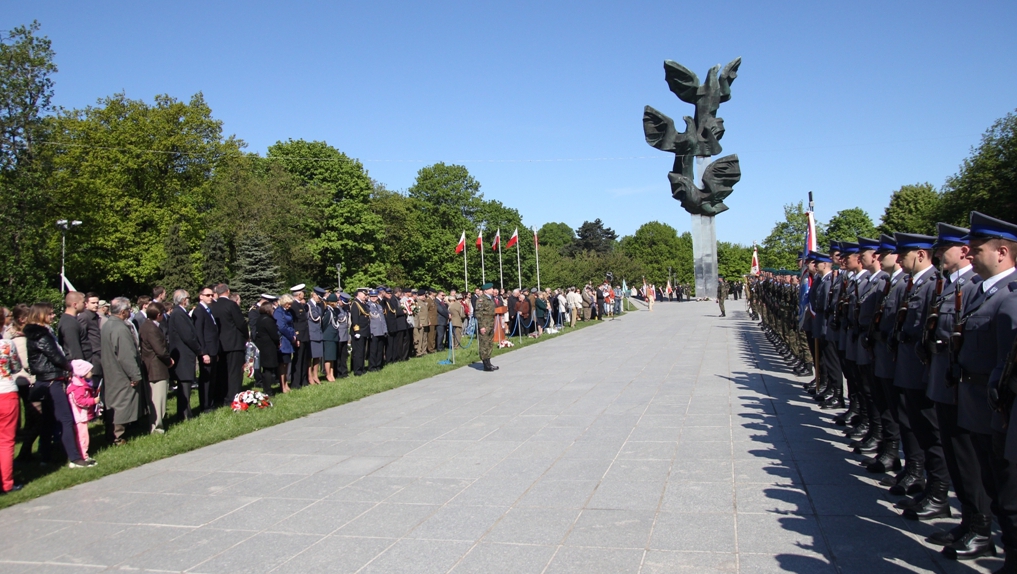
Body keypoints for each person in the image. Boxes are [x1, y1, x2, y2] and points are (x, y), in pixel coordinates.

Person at [25, 302, 93, 466]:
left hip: (45, 379)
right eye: (50, 313)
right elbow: (55, 356)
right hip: (52, 380)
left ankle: (45, 456)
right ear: (41, 315)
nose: (53, 316)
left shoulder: (38, 333)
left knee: (48, 420)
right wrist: (70, 367)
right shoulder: (41, 335)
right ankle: (75, 457)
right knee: (65, 418)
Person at [101, 297, 143, 446]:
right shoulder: (120, 328)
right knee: (121, 403)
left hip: (110, 370)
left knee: (113, 403)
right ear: (123, 312)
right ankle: (117, 437)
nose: (130, 312)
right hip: (120, 373)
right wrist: (135, 374)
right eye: (129, 309)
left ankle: (112, 434)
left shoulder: (107, 325)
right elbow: (126, 355)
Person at [211, 284, 249, 403]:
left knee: (222, 372)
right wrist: (246, 336)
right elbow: (240, 323)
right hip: (234, 343)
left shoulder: (213, 306)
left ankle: (222, 396)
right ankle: (234, 397)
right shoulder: (231, 305)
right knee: (234, 372)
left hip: (220, 344)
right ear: (228, 291)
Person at [139, 302, 172, 434]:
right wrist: (169, 360)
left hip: (152, 366)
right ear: (159, 315)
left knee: (157, 399)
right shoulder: (151, 328)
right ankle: (157, 428)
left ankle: (157, 425)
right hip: (156, 367)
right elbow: (160, 350)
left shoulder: (146, 325)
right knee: (159, 400)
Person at [167, 290, 201, 419]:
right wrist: (198, 349)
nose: (189, 300)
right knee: (184, 385)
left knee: (186, 384)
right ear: (183, 299)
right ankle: (184, 414)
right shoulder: (178, 314)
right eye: (188, 297)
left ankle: (186, 412)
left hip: (184, 354)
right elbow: (187, 335)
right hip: (182, 354)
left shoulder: (180, 312)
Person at [0, 318, 24, 492]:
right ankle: (6, 482)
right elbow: (16, 367)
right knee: (7, 440)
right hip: (6, 391)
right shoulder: (7, 345)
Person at [192, 286, 219, 411]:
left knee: (212, 378)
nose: (211, 297)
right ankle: (205, 405)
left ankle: (211, 402)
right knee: (206, 379)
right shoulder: (199, 311)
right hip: (206, 350)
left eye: (212, 295)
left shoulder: (209, 310)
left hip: (213, 349)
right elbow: (199, 333)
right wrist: (204, 352)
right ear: (201, 296)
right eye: (207, 295)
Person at [67, 359, 98, 462]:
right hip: (80, 416)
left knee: (80, 435)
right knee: (83, 436)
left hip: (79, 415)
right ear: (84, 373)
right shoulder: (79, 387)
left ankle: (82, 453)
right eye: (90, 371)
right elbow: (80, 401)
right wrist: (93, 400)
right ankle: (83, 455)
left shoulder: (78, 384)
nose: (92, 373)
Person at [253, 302, 280, 395]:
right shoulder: (268, 320)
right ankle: (268, 390)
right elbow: (274, 334)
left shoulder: (260, 318)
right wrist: (278, 341)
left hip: (261, 345)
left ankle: (266, 388)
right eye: (272, 309)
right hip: (268, 346)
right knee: (268, 369)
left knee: (265, 369)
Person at [274, 294, 297, 392]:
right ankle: (282, 384)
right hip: (283, 339)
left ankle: (285, 383)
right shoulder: (278, 312)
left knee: (287, 362)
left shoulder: (287, 312)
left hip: (289, 339)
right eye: (288, 304)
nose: (289, 306)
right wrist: (291, 336)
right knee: (282, 363)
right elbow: (281, 326)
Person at [289, 284, 310, 388]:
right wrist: (296, 336)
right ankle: (296, 382)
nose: (304, 294)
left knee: (304, 358)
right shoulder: (293, 305)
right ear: (299, 294)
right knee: (298, 359)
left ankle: (303, 379)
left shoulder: (300, 304)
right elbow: (294, 323)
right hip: (299, 336)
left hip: (305, 335)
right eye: (303, 292)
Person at [57, 291, 86, 361]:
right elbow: (74, 349)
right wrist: (82, 368)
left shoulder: (71, 321)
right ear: (75, 305)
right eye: (83, 302)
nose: (85, 304)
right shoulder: (69, 323)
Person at [476, 283, 498, 371]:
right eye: (490, 288)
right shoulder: (481, 299)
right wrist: (481, 326)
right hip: (484, 324)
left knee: (489, 343)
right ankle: (485, 364)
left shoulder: (490, 299)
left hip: (490, 323)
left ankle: (488, 362)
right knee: (484, 344)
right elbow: (478, 314)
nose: (493, 290)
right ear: (485, 290)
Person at [349, 288, 371, 376]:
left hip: (364, 330)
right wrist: (357, 330)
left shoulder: (362, 304)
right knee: (358, 352)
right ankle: (357, 370)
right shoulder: (355, 304)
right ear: (358, 294)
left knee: (362, 351)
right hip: (359, 331)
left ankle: (361, 368)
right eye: (363, 294)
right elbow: (355, 318)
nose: (365, 296)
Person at [307, 287, 325, 385]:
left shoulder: (318, 306)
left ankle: (315, 375)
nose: (320, 299)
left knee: (317, 356)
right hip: (311, 334)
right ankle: (309, 377)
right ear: (313, 295)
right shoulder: (308, 306)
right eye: (319, 296)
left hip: (318, 333)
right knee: (310, 357)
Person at [322, 294, 340, 381]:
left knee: (332, 357)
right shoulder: (328, 312)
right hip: (328, 337)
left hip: (333, 336)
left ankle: (331, 373)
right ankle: (328, 374)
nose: (337, 303)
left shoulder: (333, 311)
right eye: (336, 302)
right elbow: (324, 324)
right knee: (328, 357)